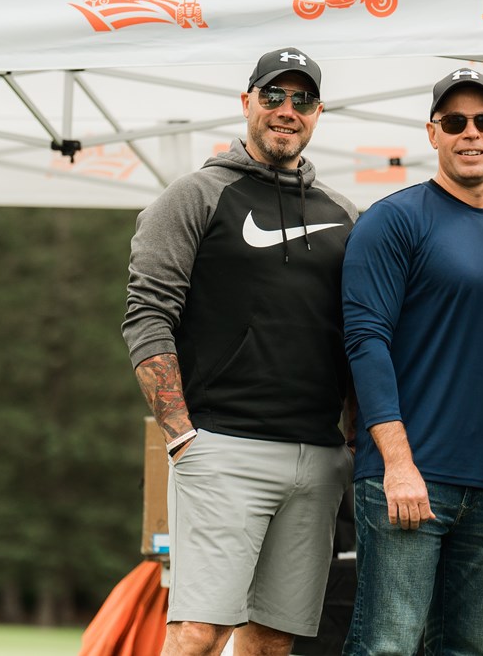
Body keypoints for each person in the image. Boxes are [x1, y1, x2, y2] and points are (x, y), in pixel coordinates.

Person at [123, 47, 357, 656]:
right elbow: (148, 315)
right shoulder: (195, 196)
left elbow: (362, 340)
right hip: (221, 448)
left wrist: (355, 445)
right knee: (199, 632)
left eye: (302, 99)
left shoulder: (344, 215)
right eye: (274, 96)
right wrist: (181, 436)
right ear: (247, 102)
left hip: (317, 459)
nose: (287, 109)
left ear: (318, 112)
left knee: (270, 641)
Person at [341, 67, 483, 656]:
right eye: (454, 122)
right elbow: (365, 341)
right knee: (388, 646)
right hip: (409, 479)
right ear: (432, 133)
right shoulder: (394, 220)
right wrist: (397, 463)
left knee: (470, 651)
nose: (470, 134)